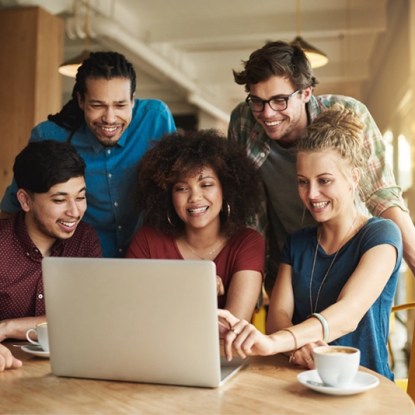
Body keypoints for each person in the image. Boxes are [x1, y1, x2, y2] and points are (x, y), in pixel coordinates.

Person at [218, 106, 402, 379]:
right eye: (303, 182)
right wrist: (298, 347)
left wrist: (275, 343)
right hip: (301, 381)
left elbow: (347, 314)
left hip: (365, 384)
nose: (312, 194)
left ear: (353, 178)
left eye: (324, 180)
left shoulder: (382, 235)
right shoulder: (298, 242)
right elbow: (278, 314)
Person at [228, 40, 415, 295]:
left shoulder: (348, 114)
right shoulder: (243, 121)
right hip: (288, 269)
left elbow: (381, 195)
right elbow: (248, 216)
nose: (267, 113)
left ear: (306, 93)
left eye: (280, 100)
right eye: (258, 101)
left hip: (352, 263)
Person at [0, 51, 176, 258]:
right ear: (80, 100)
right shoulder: (50, 136)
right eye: (97, 105)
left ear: (133, 100)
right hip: (79, 260)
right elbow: (14, 208)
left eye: (120, 105)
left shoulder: (155, 119)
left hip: (146, 256)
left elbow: (177, 186)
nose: (110, 118)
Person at [126, 130, 265, 321]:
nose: (195, 198)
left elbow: (232, 328)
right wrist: (191, 285)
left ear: (227, 189)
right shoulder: (147, 240)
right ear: (168, 195)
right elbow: (131, 315)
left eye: (206, 184)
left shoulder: (247, 243)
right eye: (182, 188)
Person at [0, 140, 102, 370]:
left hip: (75, 370)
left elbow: (87, 319)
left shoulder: (85, 241)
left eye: (80, 197)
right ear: (26, 200)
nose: (74, 212)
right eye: (59, 200)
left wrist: (7, 327)